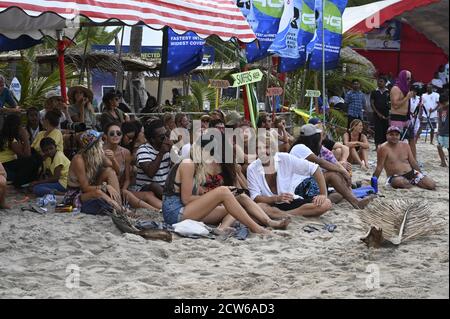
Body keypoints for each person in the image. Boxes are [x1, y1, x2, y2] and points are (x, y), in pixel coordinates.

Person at [162, 156, 270, 235]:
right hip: (175, 213)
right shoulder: (188, 163)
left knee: (237, 201)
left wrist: (217, 197)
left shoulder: (196, 167)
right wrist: (217, 197)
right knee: (223, 192)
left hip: (185, 210)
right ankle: (257, 228)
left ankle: (268, 222)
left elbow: (199, 194)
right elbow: (186, 199)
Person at [247, 132, 332, 218]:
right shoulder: (252, 168)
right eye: (258, 148)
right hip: (270, 203)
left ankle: (284, 215)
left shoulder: (285, 158)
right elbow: (255, 197)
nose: (263, 151)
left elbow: (315, 168)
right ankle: (282, 214)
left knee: (326, 203)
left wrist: (323, 194)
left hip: (290, 201)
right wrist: (276, 198)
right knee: (259, 206)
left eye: (266, 147)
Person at [291, 124, 375, 209]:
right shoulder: (300, 147)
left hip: (307, 183)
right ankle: (356, 202)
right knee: (332, 175)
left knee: (341, 193)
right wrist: (342, 171)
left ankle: (321, 201)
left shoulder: (312, 147)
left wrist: (343, 171)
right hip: (299, 187)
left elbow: (333, 161)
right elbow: (321, 162)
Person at [103, 122, 161, 210]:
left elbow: (127, 179)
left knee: (149, 194)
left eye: (118, 133)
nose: (115, 135)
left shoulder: (125, 152)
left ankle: (166, 211)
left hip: (121, 189)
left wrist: (124, 189)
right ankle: (157, 211)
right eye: (112, 133)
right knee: (133, 194)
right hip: (106, 189)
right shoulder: (100, 151)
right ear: (105, 136)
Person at [64, 130, 122, 211]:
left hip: (91, 188)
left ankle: (119, 205)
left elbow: (118, 172)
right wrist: (105, 187)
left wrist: (113, 159)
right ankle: (120, 210)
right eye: (100, 141)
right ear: (94, 145)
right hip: (75, 194)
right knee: (98, 192)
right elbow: (84, 188)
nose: (102, 142)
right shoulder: (78, 159)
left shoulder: (99, 155)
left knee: (110, 171)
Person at [0, 114, 41, 188]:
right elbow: (27, 155)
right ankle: (20, 183)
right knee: (32, 160)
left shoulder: (5, 136)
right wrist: (25, 137)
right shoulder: (11, 139)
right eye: (20, 125)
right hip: (5, 166)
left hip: (7, 164)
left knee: (35, 155)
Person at [136, 119, 173, 199]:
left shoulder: (168, 147)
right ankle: (171, 200)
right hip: (147, 189)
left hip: (165, 187)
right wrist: (161, 153)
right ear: (152, 139)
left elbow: (176, 170)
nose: (166, 139)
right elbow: (150, 173)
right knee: (154, 186)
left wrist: (172, 152)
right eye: (162, 137)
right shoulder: (143, 150)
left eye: (167, 135)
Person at [390, 70, 414, 146]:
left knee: (411, 139)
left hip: (406, 117)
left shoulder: (406, 88)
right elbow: (395, 105)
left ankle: (413, 158)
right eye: (407, 79)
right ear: (402, 78)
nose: (409, 81)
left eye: (410, 79)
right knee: (397, 141)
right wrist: (407, 97)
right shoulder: (396, 89)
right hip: (397, 118)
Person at [370, 77, 390, 149]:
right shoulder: (374, 92)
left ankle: (385, 146)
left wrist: (389, 114)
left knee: (385, 129)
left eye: (381, 81)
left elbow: (391, 103)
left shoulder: (388, 92)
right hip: (376, 114)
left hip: (386, 114)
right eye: (378, 81)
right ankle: (377, 146)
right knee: (378, 130)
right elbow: (372, 103)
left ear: (385, 83)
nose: (379, 83)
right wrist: (377, 113)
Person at [409, 87, 422, 159]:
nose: (413, 93)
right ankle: (411, 141)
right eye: (412, 91)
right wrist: (411, 113)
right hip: (410, 115)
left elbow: (420, 108)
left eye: (414, 91)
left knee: (416, 129)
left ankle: (414, 141)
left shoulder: (419, 98)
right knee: (410, 128)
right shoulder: (408, 98)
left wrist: (418, 114)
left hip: (416, 116)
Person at [436, 95, 449, 167]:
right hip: (441, 131)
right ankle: (443, 162)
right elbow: (439, 121)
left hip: (448, 131)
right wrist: (438, 130)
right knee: (439, 146)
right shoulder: (439, 109)